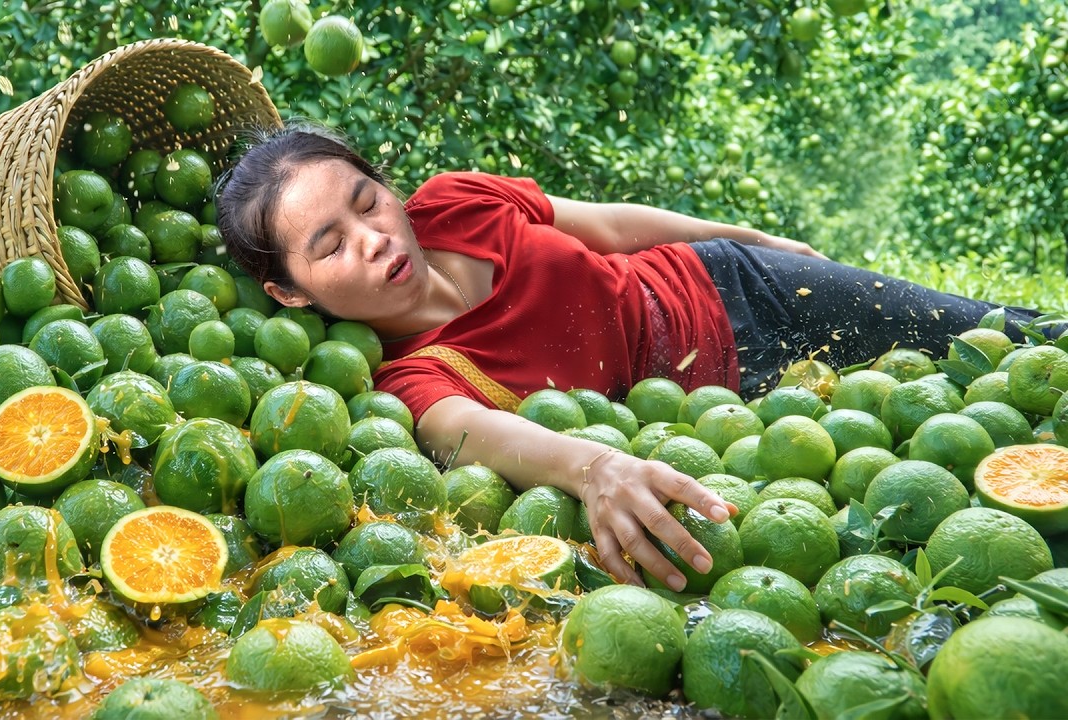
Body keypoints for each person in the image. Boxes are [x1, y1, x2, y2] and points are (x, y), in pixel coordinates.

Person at [216, 122, 1053, 591]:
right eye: (329, 246)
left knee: (1008, 342)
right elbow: (487, 438)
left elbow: (609, 226)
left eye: (367, 202)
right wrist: (596, 471)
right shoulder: (412, 376)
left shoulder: (454, 204)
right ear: (292, 293)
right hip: (740, 415)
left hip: (740, 287)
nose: (372, 239)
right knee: (951, 451)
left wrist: (751, 238)